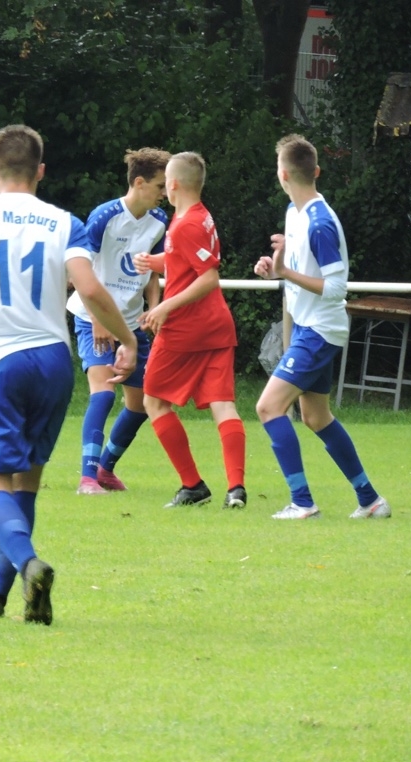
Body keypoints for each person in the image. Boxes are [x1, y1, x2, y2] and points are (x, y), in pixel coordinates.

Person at [0, 125, 137, 624]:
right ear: (41, 171)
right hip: (49, 358)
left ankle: (29, 564)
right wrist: (128, 339)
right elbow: (88, 289)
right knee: (25, 482)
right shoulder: (64, 222)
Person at [253, 134, 390, 520]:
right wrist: (274, 271)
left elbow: (335, 290)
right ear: (316, 172)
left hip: (318, 330)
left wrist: (286, 271)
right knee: (315, 417)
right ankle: (371, 500)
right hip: (308, 328)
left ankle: (302, 502)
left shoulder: (319, 222)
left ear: (282, 174)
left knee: (268, 407)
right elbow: (297, 270)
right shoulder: (295, 215)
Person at [133, 152, 247, 509]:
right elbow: (188, 257)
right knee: (223, 403)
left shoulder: (186, 224)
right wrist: (157, 262)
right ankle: (236, 489)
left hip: (187, 329)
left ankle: (192, 484)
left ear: (173, 184)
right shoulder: (196, 216)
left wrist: (164, 306)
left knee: (153, 400)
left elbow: (209, 277)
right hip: (217, 326)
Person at [68, 148, 170, 495]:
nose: (166, 192)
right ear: (138, 183)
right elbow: (81, 272)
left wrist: (153, 308)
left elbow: (152, 269)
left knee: (141, 403)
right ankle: (86, 478)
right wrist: (98, 317)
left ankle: (106, 468)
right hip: (92, 317)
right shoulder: (104, 217)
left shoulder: (159, 220)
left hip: (132, 324)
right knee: (103, 392)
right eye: (160, 185)